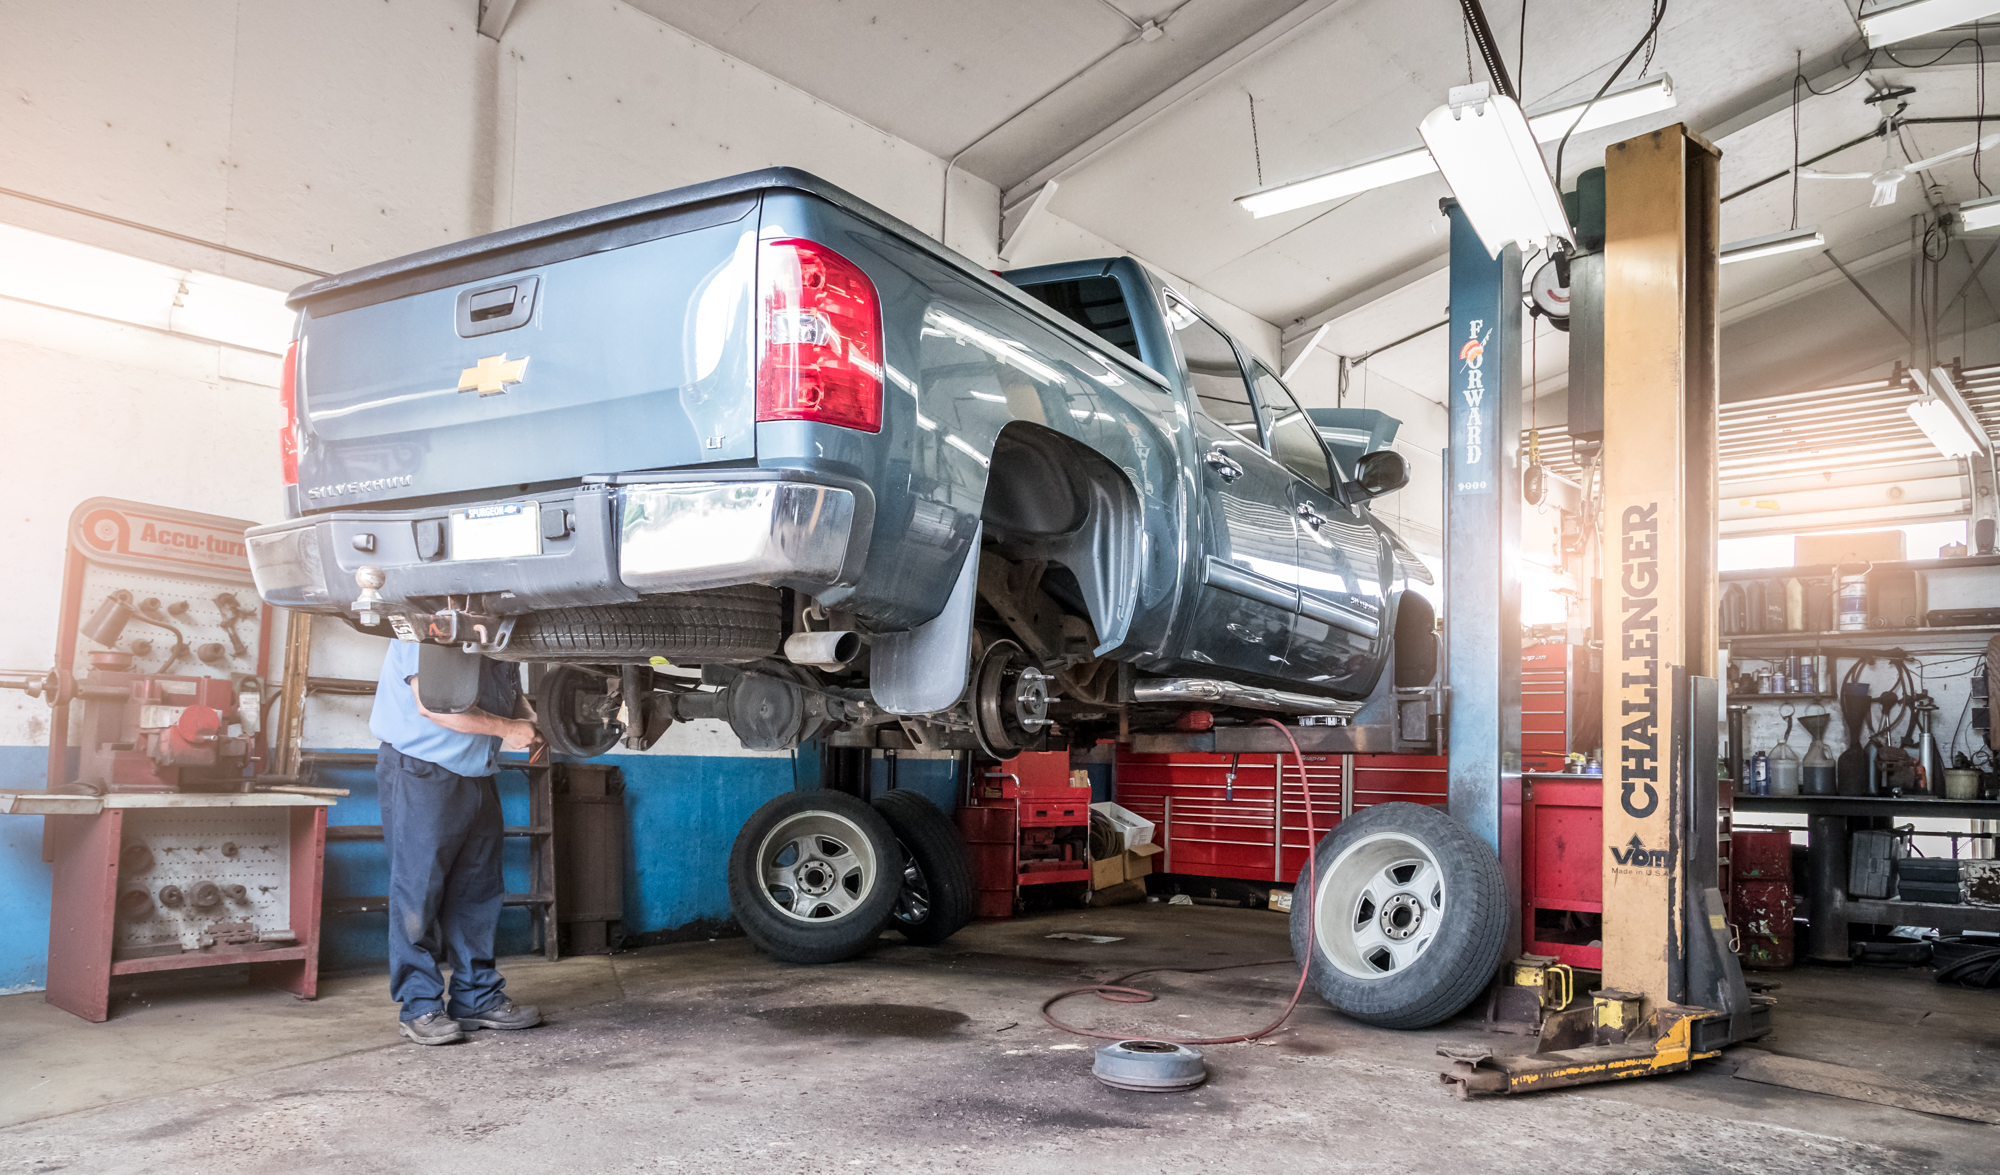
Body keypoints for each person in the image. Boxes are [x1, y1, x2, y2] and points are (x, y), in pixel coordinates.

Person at [368, 640, 546, 1045]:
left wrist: (531, 718)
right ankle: (419, 1006)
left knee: (478, 892)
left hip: (477, 775)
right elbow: (433, 706)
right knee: (418, 893)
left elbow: (511, 694)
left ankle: (476, 997)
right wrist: (508, 729)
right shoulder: (425, 626)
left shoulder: (495, 634)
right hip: (421, 771)